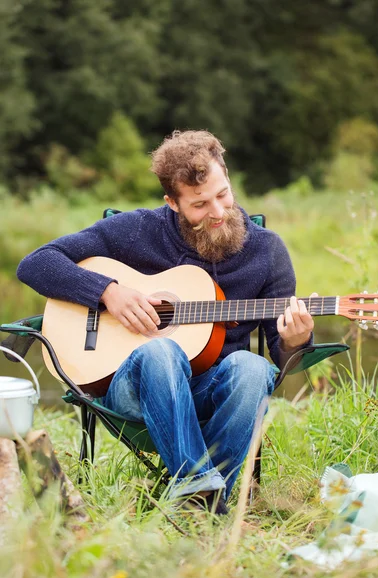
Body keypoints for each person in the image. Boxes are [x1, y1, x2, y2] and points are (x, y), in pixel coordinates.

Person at [17, 130, 315, 514]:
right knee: (162, 349)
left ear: (227, 177)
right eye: (199, 204)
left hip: (213, 393)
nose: (218, 212)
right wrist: (109, 292)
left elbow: (284, 356)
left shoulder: (266, 251)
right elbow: (36, 264)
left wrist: (295, 340)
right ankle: (201, 494)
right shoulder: (137, 230)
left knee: (254, 368)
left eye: (223, 194)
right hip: (133, 388)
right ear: (172, 203)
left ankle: (198, 503)